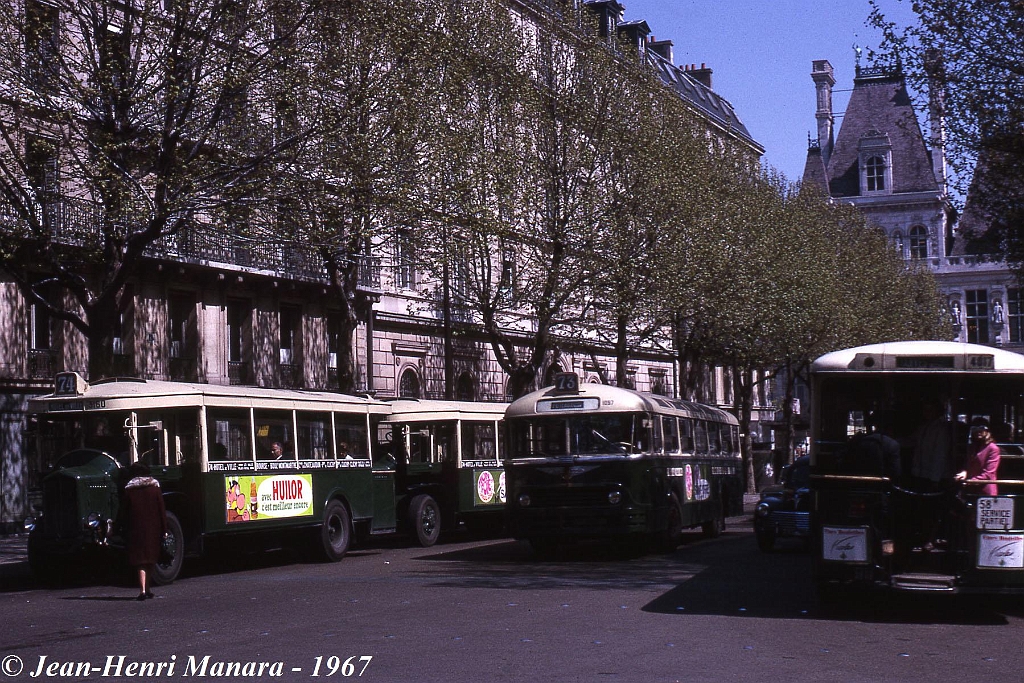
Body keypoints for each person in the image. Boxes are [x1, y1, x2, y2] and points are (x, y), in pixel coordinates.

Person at [121, 463, 167, 601]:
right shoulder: (155, 489)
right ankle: (148, 588)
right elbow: (162, 511)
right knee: (151, 560)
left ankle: (142, 590)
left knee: (140, 561)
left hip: (136, 529)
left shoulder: (129, 490)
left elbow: (124, 512)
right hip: (153, 528)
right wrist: (164, 529)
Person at [956, 426, 1001, 495]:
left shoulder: (993, 448)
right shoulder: (972, 447)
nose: (978, 431)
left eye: (981, 428)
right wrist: (964, 472)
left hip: (985, 490)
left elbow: (989, 473)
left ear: (987, 431)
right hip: (969, 489)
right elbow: (968, 465)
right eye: (975, 429)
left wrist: (971, 481)